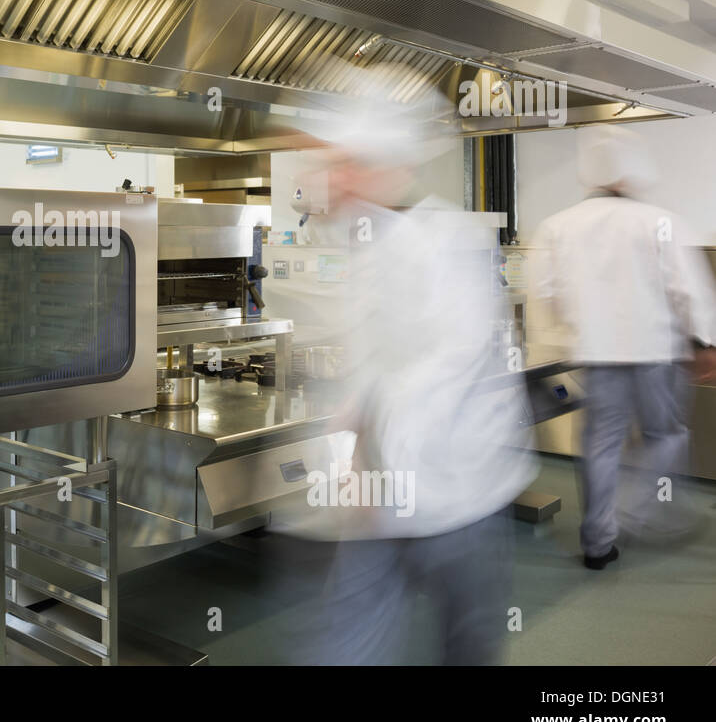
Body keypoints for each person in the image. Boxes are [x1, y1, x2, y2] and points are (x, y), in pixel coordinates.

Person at [303, 110, 536, 665]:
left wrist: (377, 460)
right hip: (379, 502)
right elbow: (365, 375)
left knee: (468, 643)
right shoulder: (364, 249)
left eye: (347, 166)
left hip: (462, 494)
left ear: (384, 170)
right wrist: (349, 464)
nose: (333, 180)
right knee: (345, 645)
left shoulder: (448, 243)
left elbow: (448, 364)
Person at [531, 124, 716, 570]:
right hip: (656, 353)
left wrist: (575, 327)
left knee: (600, 446)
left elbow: (544, 289)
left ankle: (598, 541)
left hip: (596, 354)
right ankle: (633, 512)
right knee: (665, 435)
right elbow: (687, 289)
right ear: (631, 174)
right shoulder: (658, 221)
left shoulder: (558, 225)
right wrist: (705, 342)